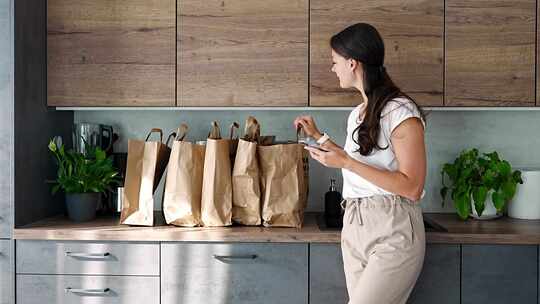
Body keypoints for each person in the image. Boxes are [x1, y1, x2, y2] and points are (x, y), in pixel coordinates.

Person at [294, 23, 426, 304]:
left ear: (352, 62)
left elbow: (412, 186)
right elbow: (360, 162)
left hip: (392, 228)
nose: (333, 69)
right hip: (355, 224)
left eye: (335, 62)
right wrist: (318, 137)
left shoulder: (401, 111)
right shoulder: (358, 114)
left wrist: (346, 163)